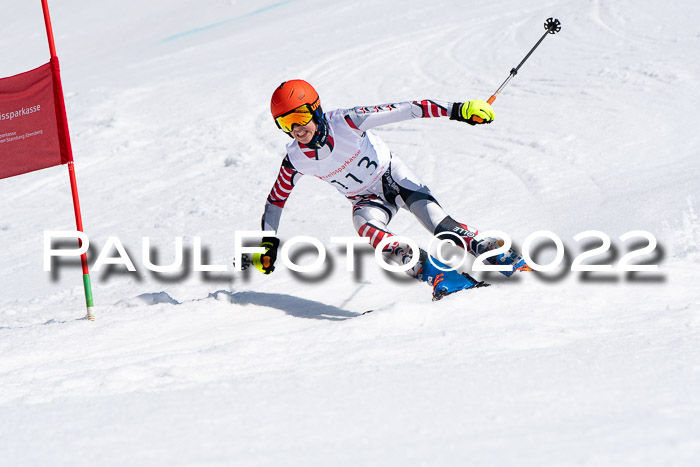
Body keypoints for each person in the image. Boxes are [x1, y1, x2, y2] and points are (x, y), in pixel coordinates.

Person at [251, 80, 529, 300]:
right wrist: (267, 242)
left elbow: (409, 108)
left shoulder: (347, 122)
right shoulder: (295, 159)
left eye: (300, 116)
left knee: (443, 228)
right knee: (368, 229)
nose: (297, 129)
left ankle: (501, 257)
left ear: (316, 109)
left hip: (393, 178)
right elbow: (276, 200)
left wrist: (458, 109)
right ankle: (442, 276)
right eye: (286, 123)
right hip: (365, 200)